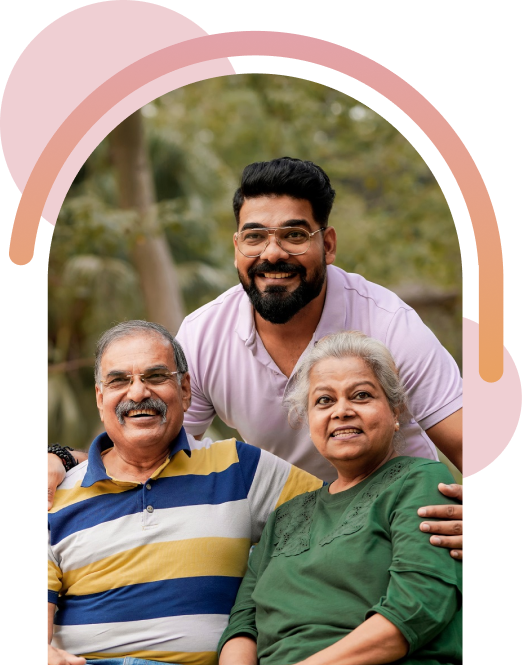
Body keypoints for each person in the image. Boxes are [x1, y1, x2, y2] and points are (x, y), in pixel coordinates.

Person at [47, 157, 463, 557]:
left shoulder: (387, 323)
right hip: (294, 541)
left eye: (295, 235)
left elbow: (471, 444)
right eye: (255, 236)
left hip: (404, 525)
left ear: (328, 244)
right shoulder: (205, 335)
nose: (273, 253)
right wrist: (64, 460)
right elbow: (145, 452)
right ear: (236, 246)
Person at [145, 331, 463, 665]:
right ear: (308, 420)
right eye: (324, 400)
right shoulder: (289, 515)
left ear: (396, 412)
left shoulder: (420, 482)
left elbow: (413, 613)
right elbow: (243, 622)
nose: (341, 410)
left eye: (361, 395)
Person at [47, 320, 323, 665]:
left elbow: (341, 508)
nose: (138, 393)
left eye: (156, 376)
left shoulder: (240, 467)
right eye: (119, 380)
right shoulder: (58, 495)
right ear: (99, 396)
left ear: (185, 387)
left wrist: (422, 506)